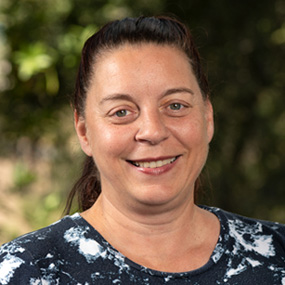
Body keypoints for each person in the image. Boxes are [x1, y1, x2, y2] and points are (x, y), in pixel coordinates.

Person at [0, 15, 284, 284]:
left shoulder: (276, 254)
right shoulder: (24, 271)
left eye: (175, 106)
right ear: (84, 132)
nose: (153, 131)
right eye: (121, 111)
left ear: (207, 118)